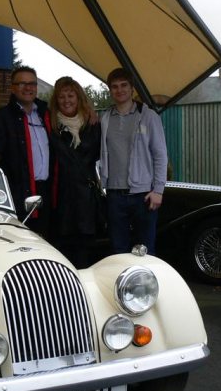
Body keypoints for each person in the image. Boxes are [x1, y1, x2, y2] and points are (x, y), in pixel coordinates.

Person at [0, 66, 52, 236]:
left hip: (47, 191)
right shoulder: (2, 117)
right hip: (20, 190)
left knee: (46, 240)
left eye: (32, 83)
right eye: (22, 83)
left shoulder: (46, 114)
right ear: (13, 88)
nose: (28, 88)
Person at [98, 67, 168, 255]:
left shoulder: (148, 116)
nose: (119, 90)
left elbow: (160, 154)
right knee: (117, 249)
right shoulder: (105, 118)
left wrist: (158, 190)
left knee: (145, 250)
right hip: (114, 194)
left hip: (143, 195)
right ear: (110, 90)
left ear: (132, 89)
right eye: (114, 87)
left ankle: (147, 283)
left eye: (123, 85)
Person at [47, 76, 101, 268]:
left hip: (86, 200)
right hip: (62, 200)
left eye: (71, 95)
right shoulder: (51, 126)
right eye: (61, 96)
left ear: (79, 98)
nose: (66, 100)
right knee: (63, 254)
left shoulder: (93, 125)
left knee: (86, 256)